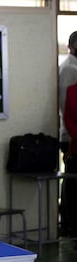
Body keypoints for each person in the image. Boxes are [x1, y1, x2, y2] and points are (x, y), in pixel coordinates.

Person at [59, 31, 77, 236]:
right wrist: (69, 134)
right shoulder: (68, 68)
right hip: (70, 135)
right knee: (71, 182)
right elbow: (66, 107)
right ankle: (69, 224)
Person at [63, 82, 77, 246]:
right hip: (76, 149)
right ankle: (74, 232)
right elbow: (67, 118)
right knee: (73, 194)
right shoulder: (71, 90)